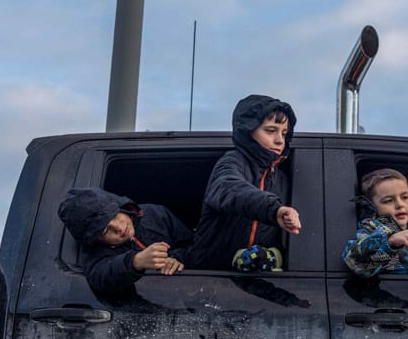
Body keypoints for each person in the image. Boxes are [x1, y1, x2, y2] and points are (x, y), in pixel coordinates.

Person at [187, 94, 300, 272]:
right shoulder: (232, 162)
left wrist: (272, 256)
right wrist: (273, 209)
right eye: (271, 131)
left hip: (253, 283)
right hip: (209, 278)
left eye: (284, 133)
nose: (279, 140)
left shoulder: (283, 180)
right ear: (248, 131)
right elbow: (229, 188)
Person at [58, 187, 193, 294]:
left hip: (189, 292)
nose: (119, 228)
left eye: (115, 215)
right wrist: (135, 261)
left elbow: (193, 246)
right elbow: (100, 277)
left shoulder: (155, 213)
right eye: (106, 230)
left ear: (119, 207)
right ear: (95, 239)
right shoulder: (96, 252)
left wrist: (176, 258)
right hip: (144, 309)